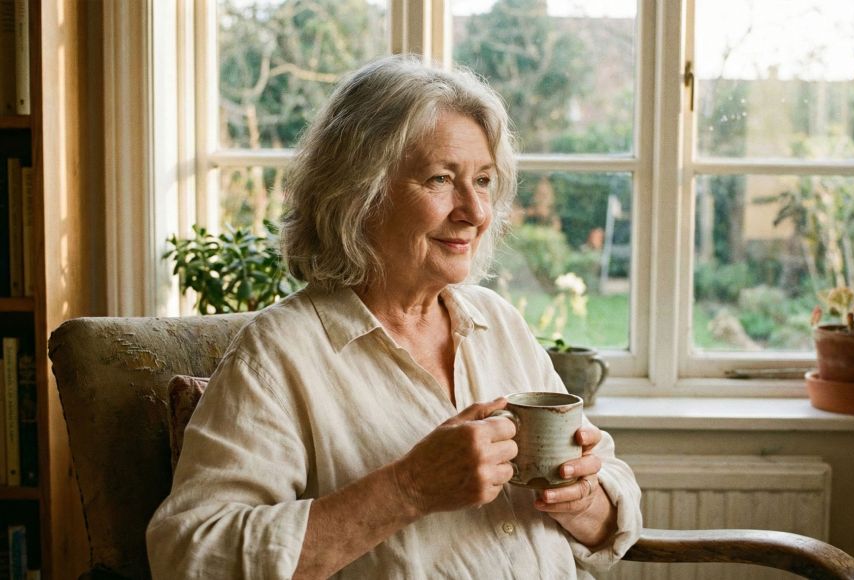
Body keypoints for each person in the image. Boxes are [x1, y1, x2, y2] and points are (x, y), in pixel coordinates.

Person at [146, 54, 642, 579]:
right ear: (359, 195)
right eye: (440, 179)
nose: (474, 212)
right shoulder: (279, 354)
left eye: (483, 180)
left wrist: (581, 496)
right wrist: (409, 489)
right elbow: (190, 554)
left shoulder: (499, 323)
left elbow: (612, 490)